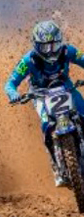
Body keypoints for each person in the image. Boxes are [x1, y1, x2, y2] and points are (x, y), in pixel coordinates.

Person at [5, 20, 84, 187]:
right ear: (36, 45)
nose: (50, 51)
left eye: (54, 45)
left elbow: (83, 59)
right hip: (40, 94)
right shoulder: (28, 60)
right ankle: (56, 167)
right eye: (45, 47)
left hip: (66, 88)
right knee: (47, 125)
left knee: (83, 113)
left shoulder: (68, 51)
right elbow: (10, 83)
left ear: (60, 41)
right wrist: (14, 94)